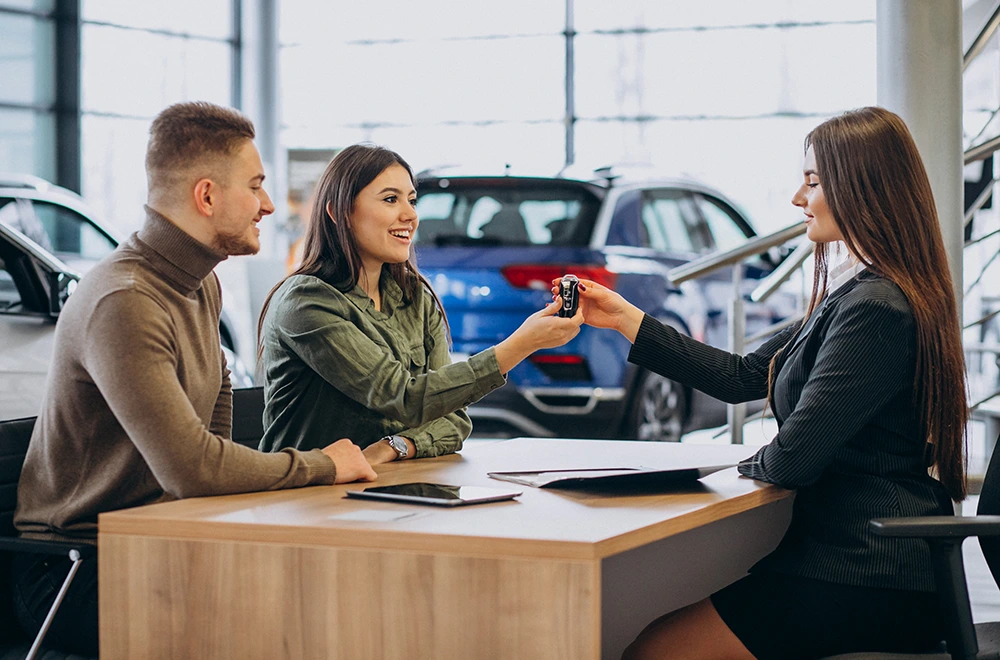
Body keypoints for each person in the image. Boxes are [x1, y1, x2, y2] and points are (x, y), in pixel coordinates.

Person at [570, 107, 967, 660]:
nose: (797, 199)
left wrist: (726, 470)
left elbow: (791, 460)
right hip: (851, 557)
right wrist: (622, 317)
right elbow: (743, 376)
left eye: (812, 181)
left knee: (651, 652)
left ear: (861, 188)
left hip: (867, 570)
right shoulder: (860, 295)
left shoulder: (877, 308)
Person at [11, 102, 377, 656]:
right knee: (296, 617)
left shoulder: (198, 283)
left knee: (340, 584)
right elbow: (193, 468)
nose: (270, 205)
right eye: (255, 186)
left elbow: (216, 428)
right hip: (78, 570)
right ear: (206, 196)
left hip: (164, 537)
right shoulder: (126, 300)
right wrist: (323, 465)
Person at [257, 143, 582, 464]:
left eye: (412, 200)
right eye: (390, 199)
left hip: (389, 491)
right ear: (338, 212)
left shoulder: (415, 295)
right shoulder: (306, 301)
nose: (410, 214)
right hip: (307, 500)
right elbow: (407, 398)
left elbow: (453, 420)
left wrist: (395, 446)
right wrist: (522, 344)